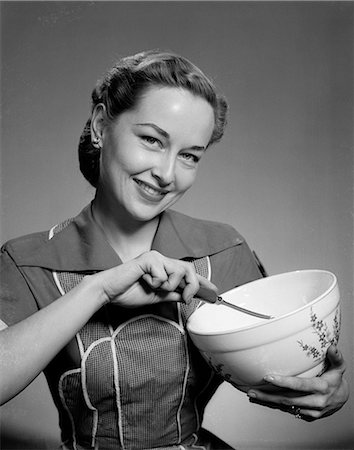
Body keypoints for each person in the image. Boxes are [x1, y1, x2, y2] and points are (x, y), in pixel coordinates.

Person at [0, 50, 348, 450]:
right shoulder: (28, 261)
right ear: (100, 126)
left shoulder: (223, 251)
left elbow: (289, 368)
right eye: (151, 140)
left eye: (188, 156)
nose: (166, 174)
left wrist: (327, 391)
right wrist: (99, 290)